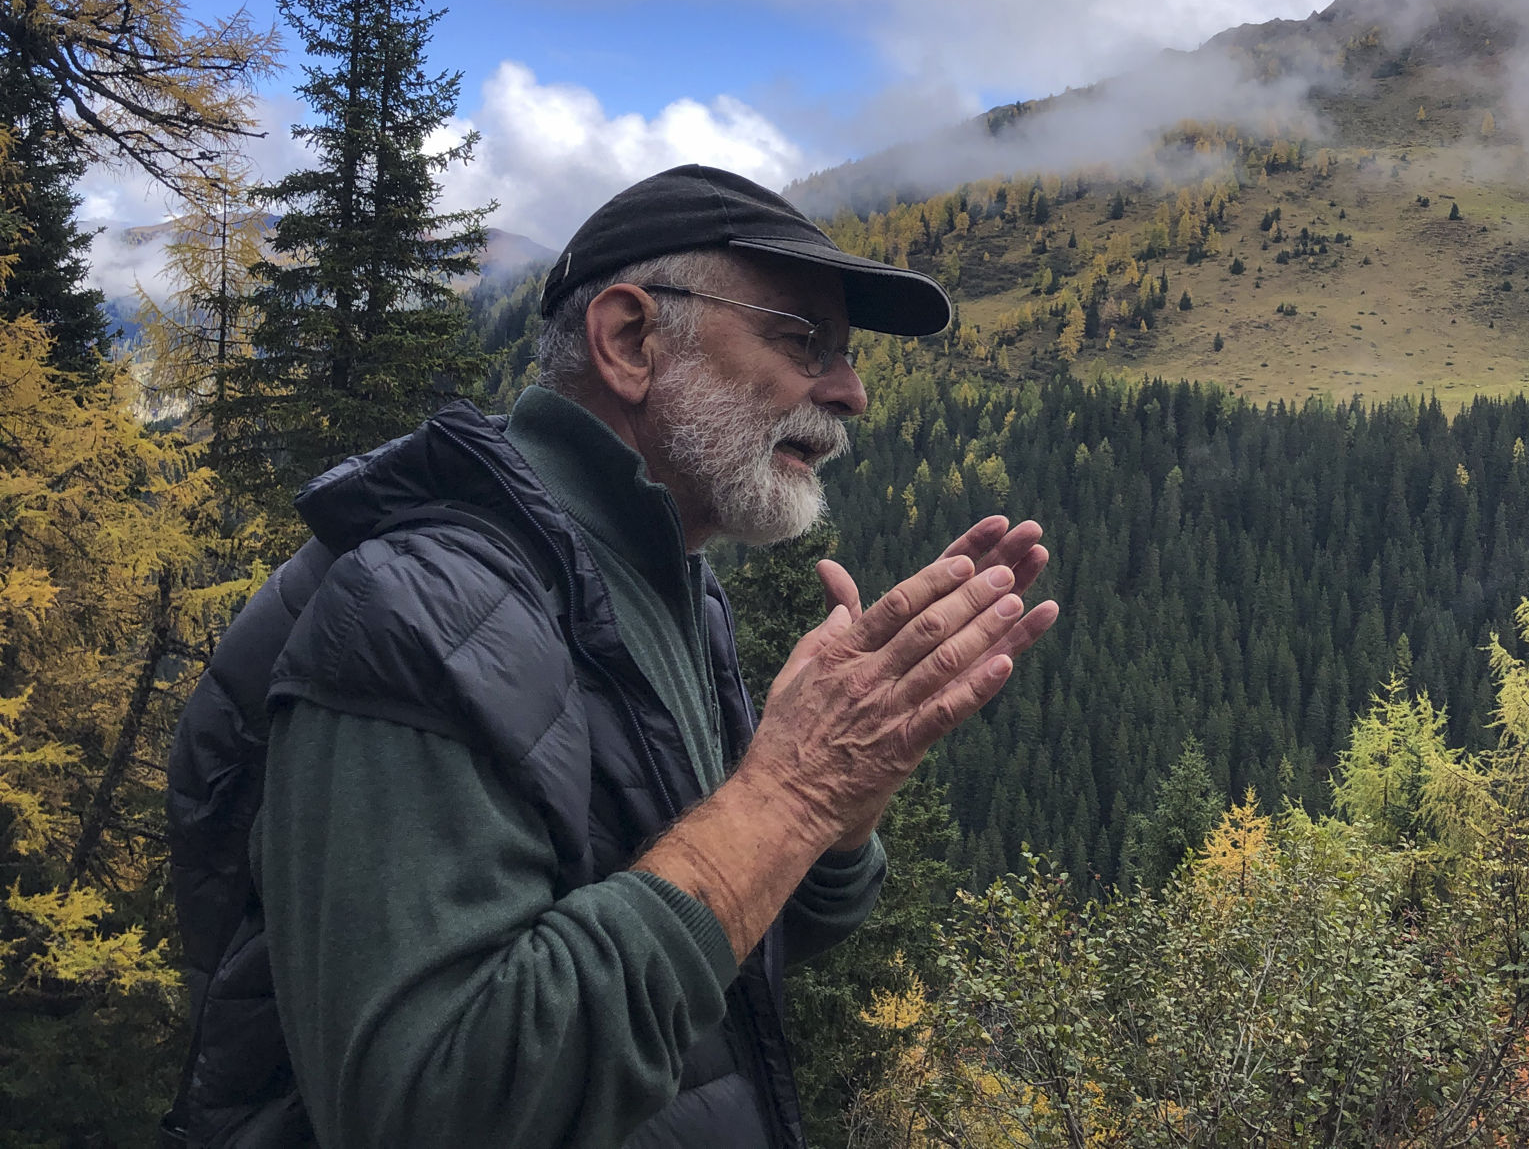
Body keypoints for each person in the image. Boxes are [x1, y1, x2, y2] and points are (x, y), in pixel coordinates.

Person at [165, 164, 1060, 1149]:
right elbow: (426, 1107)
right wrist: (789, 795)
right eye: (801, 338)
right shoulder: (424, 610)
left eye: (844, 354)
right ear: (630, 339)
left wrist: (842, 804)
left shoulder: (667, 588)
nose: (846, 391)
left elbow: (726, 931)